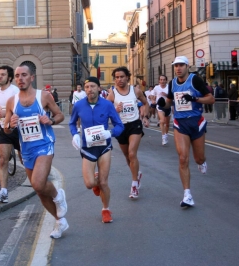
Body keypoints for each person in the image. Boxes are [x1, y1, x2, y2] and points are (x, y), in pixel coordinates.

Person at [4, 63, 68, 239]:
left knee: (39, 183)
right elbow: (6, 129)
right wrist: (11, 124)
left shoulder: (43, 96)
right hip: (26, 149)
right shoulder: (12, 101)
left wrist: (50, 121)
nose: (20, 79)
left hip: (44, 145)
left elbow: (59, 115)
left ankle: (58, 195)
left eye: (24, 75)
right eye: (17, 76)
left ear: (32, 77)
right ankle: (60, 220)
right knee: (38, 190)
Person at [157, 56, 215, 207]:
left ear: (187, 66)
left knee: (199, 159)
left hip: (196, 122)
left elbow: (210, 99)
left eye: (181, 65)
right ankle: (187, 195)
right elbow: (170, 101)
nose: (178, 68)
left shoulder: (195, 80)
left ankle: (202, 162)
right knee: (183, 158)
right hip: (180, 123)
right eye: (176, 65)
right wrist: (163, 104)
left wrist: (195, 99)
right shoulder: (172, 83)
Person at [69, 77, 124, 223]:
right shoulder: (79, 105)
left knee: (104, 182)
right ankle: (96, 182)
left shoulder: (107, 105)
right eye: (87, 87)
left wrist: (110, 133)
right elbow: (72, 123)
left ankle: (106, 210)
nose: (89, 89)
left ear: (99, 88)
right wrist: (74, 134)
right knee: (89, 184)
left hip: (104, 147)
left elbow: (119, 125)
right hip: (88, 148)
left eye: (92, 86)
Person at [107, 66, 149, 199]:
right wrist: (115, 110)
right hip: (120, 127)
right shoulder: (112, 94)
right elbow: (106, 111)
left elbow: (145, 103)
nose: (119, 79)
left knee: (132, 153)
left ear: (127, 78)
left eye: (122, 77)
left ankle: (134, 185)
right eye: (117, 77)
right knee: (127, 156)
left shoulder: (135, 90)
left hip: (134, 125)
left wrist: (145, 117)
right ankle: (137, 174)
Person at [0, 65, 20, 203]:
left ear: (9, 77)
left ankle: (37, 182)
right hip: (4, 129)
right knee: (3, 160)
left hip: (19, 129)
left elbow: (22, 109)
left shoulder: (15, 90)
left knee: (26, 158)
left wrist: (7, 113)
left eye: (3, 74)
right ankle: (3, 192)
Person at [151, 75, 171, 145]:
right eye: (161, 80)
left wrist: (166, 94)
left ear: (166, 80)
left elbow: (173, 96)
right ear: (159, 81)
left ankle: (166, 134)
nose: (162, 81)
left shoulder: (169, 87)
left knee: (167, 124)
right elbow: (152, 95)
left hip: (168, 106)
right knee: (162, 121)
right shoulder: (156, 87)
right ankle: (163, 136)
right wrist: (153, 99)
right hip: (160, 106)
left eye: (164, 80)